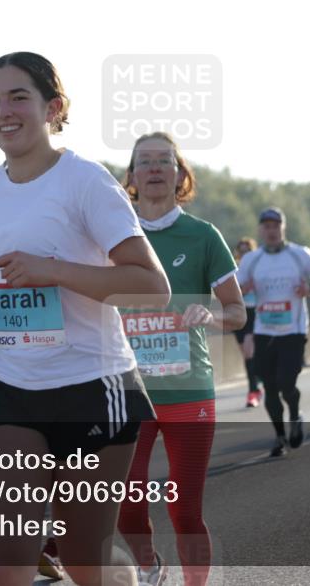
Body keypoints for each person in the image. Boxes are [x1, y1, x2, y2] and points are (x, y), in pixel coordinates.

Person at [0, 52, 170, 585]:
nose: (2, 112)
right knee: (6, 568)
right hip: (4, 384)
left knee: (88, 566)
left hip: (91, 386)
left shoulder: (86, 182)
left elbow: (151, 286)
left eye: (18, 97)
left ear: (52, 107)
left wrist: (52, 271)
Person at [117, 132, 245, 586]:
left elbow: (237, 310)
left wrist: (210, 313)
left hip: (188, 390)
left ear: (179, 174)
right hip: (129, 392)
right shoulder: (114, 237)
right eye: (145, 162)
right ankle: (149, 568)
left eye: (163, 161)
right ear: (130, 177)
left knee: (184, 506)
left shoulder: (203, 235)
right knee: (126, 503)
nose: (154, 169)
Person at [236, 207, 310, 457]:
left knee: (287, 383)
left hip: (293, 331)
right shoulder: (251, 259)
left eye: (276, 225)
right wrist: (244, 288)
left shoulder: (299, 254)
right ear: (260, 230)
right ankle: (278, 435)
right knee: (270, 388)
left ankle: (295, 415)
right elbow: (235, 289)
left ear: (283, 227)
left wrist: (308, 287)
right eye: (266, 226)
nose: (271, 230)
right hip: (264, 331)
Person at [233, 237, 262, 408]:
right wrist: (244, 289)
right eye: (241, 251)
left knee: (250, 350)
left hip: (255, 311)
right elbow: (232, 293)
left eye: (247, 251)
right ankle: (256, 382)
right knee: (246, 354)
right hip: (238, 312)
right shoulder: (234, 269)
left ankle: (253, 391)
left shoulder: (259, 267)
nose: (244, 255)